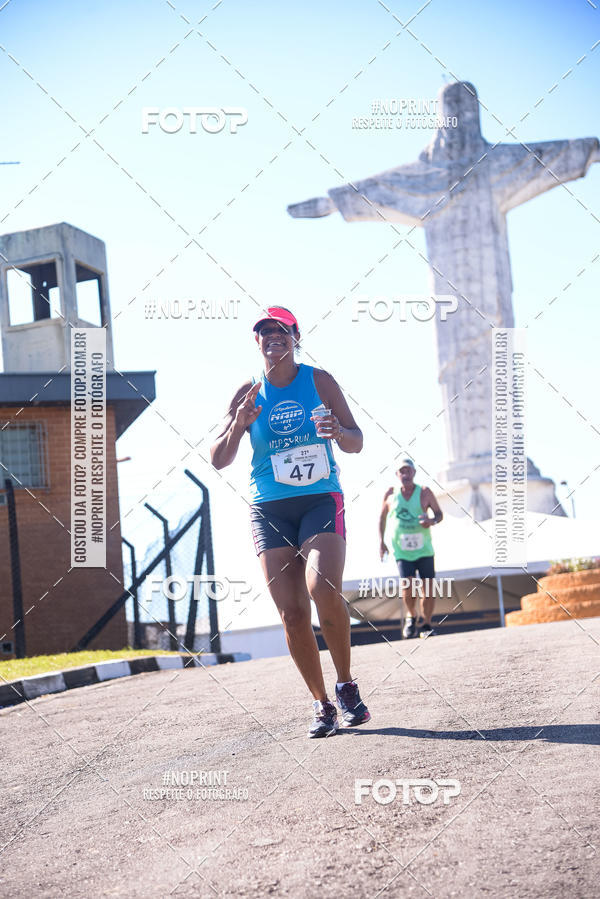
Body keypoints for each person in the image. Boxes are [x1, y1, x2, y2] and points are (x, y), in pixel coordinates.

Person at [211, 306, 370, 737]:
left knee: (322, 588)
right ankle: (322, 706)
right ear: (257, 342)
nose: (273, 336)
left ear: (295, 336)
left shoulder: (319, 381)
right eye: (264, 331)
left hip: (320, 498)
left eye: (281, 330)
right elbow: (218, 460)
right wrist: (238, 426)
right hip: (270, 508)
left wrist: (337, 429)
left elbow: (356, 442)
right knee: (292, 613)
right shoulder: (248, 391)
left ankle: (346, 685)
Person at [379, 459, 443, 639]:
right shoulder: (391, 494)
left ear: (414, 473)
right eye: (402, 471)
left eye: (409, 471)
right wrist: (381, 543)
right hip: (402, 550)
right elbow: (381, 519)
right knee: (408, 586)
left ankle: (427, 623)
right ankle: (411, 616)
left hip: (424, 550)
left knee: (428, 590)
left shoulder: (424, 492)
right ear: (397, 475)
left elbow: (439, 514)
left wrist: (432, 521)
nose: (405, 474)